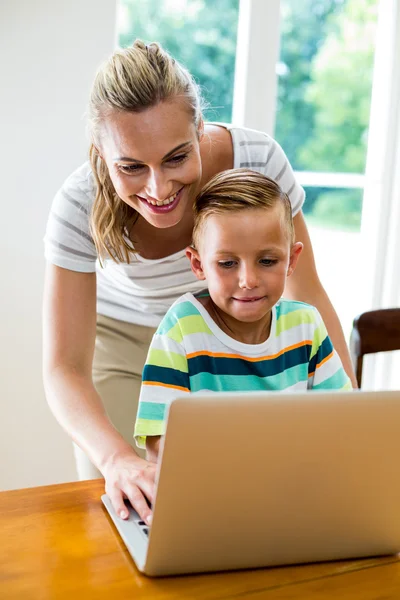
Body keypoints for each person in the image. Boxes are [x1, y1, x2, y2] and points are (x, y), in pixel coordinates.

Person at [42, 40, 356, 526]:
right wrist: (116, 459)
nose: (158, 188)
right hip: (128, 353)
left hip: (238, 347)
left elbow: (306, 292)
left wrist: (356, 425)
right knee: (131, 519)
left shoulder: (255, 159)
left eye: (175, 158)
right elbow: (64, 367)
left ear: (200, 130)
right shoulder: (77, 204)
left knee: (253, 512)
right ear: (101, 155)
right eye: (131, 166)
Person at [134, 169, 352, 464]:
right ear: (198, 265)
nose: (248, 280)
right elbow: (158, 443)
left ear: (292, 259)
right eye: (227, 263)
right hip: (209, 488)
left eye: (266, 261)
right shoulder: (181, 329)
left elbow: (341, 421)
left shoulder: (306, 325)